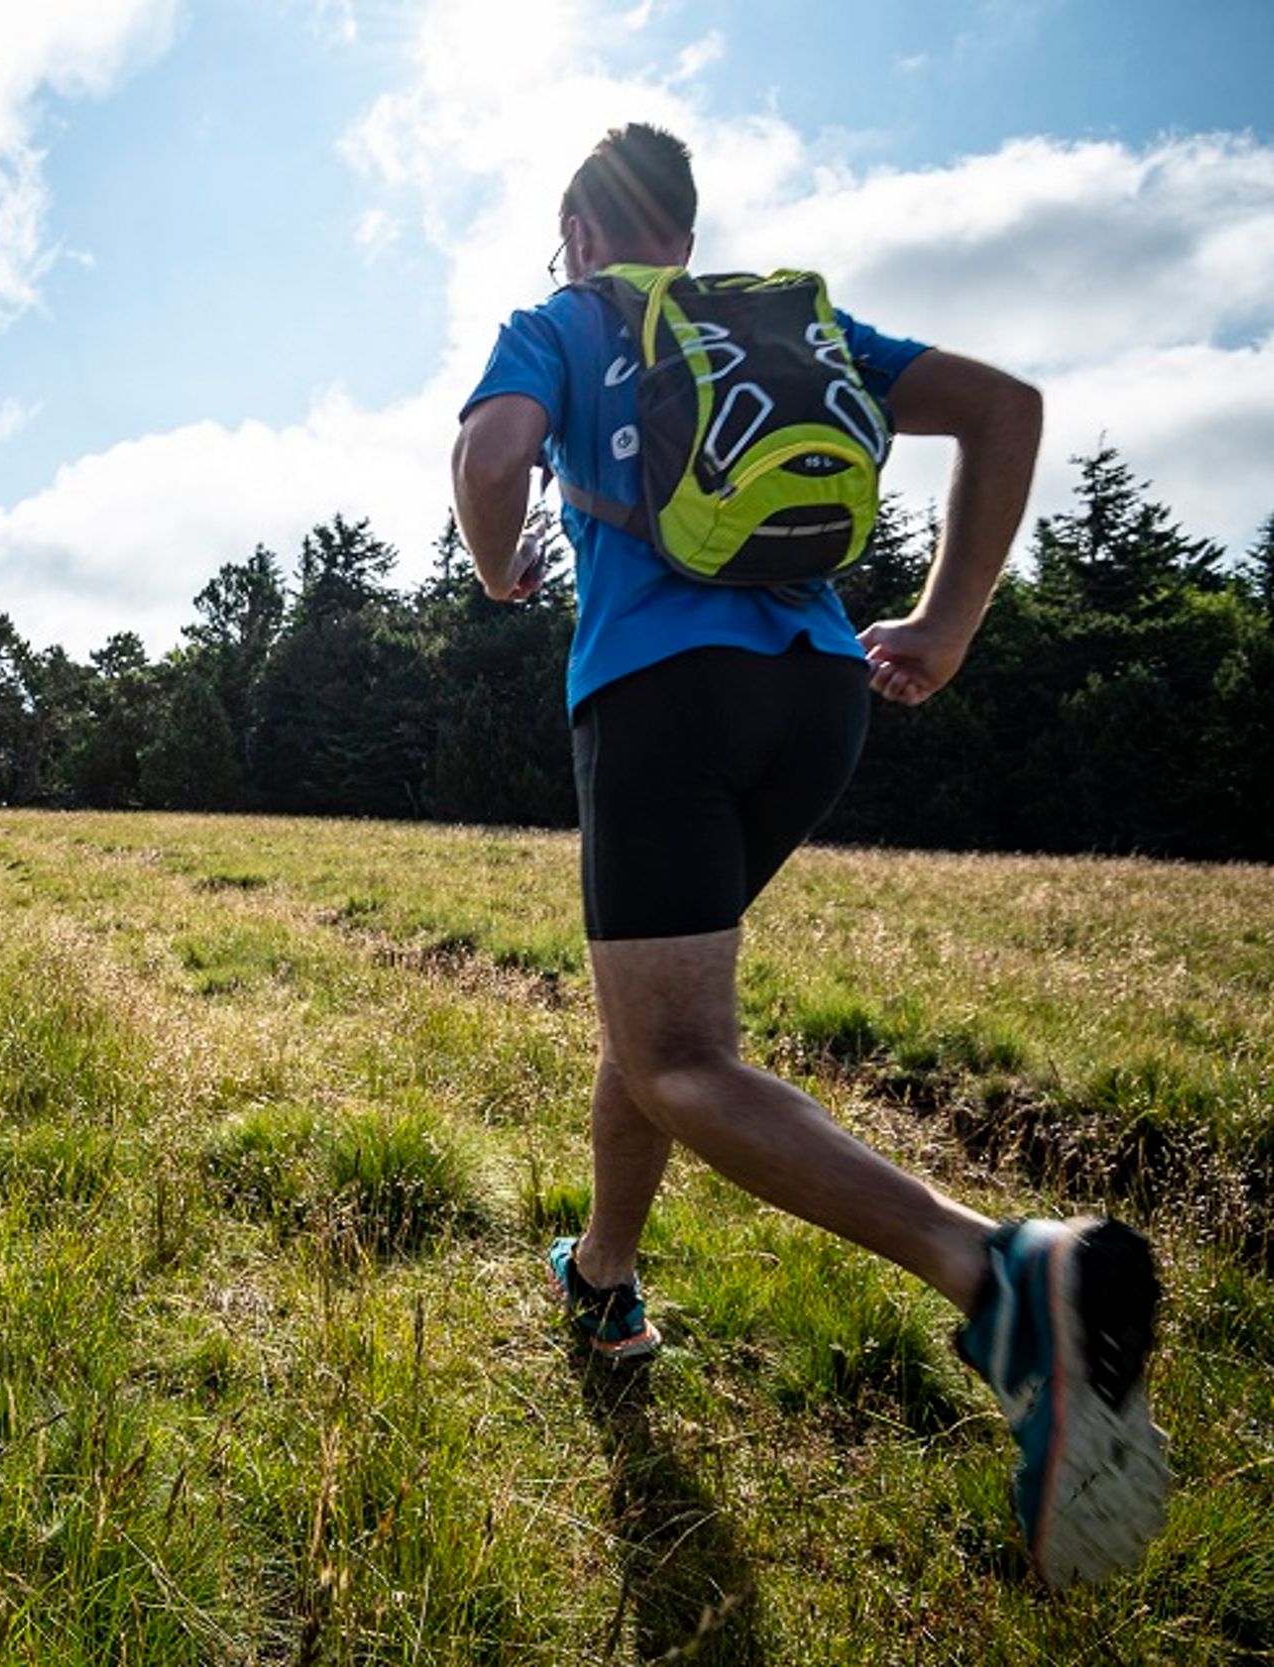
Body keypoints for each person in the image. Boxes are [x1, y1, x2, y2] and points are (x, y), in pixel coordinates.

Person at [451, 123, 1168, 1588]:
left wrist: (494, 560)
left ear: (584, 235)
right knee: (657, 1014)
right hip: (822, 694)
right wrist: (948, 623)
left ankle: (1002, 1276)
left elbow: (492, 450)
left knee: (677, 1053)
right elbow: (1007, 408)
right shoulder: (802, 323)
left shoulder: (565, 319)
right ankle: (604, 1283)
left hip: (661, 695)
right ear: (685, 234)